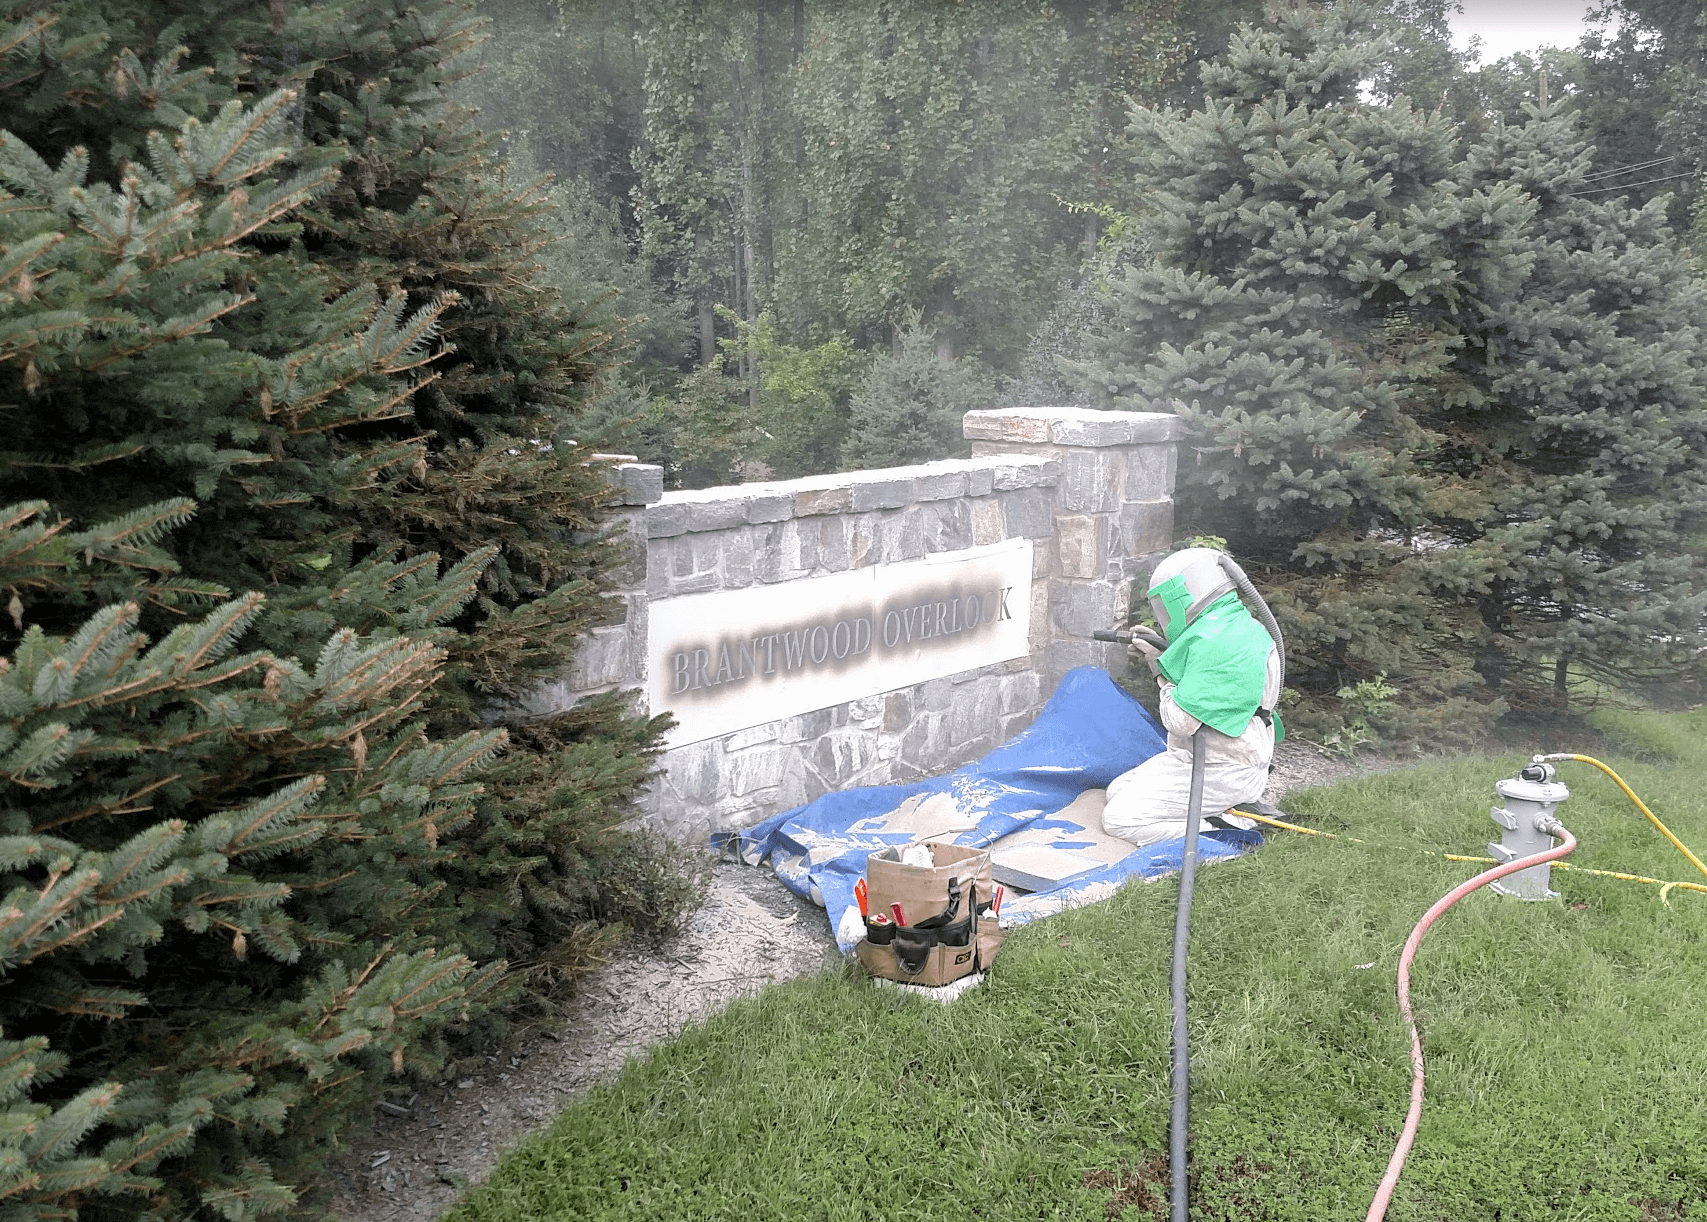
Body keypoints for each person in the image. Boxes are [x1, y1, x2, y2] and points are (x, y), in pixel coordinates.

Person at [1101, 548, 1282, 847]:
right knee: (1117, 791)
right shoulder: (1226, 626)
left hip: (1224, 768)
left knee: (1120, 819)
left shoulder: (1222, 643)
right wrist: (1160, 657)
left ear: (1179, 597)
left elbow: (1180, 721)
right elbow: (1202, 685)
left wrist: (1161, 675)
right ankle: (1219, 810)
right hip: (1203, 757)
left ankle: (1226, 825)